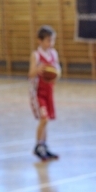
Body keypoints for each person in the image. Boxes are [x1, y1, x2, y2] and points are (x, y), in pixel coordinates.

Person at [29, 25, 61, 161]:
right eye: (48, 40)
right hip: (37, 92)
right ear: (39, 41)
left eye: (52, 40)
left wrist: (55, 74)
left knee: (46, 120)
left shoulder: (54, 53)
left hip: (49, 91)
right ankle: (38, 146)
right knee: (44, 119)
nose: (50, 43)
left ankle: (44, 146)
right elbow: (30, 74)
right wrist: (38, 69)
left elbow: (58, 71)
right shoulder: (35, 55)